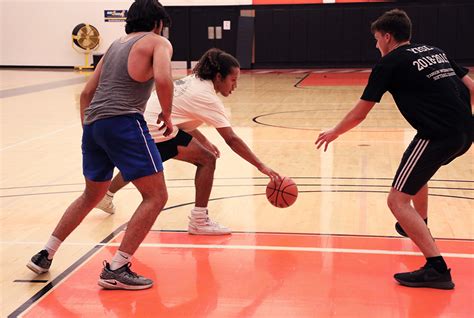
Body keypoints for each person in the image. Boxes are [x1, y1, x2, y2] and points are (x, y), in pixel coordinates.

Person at [315, 9, 473, 290]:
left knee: (396, 201)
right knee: (417, 171)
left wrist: (334, 132)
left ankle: (436, 269)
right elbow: (471, 87)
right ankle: (418, 222)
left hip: (437, 135)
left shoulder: (389, 63)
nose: (376, 45)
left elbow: (360, 113)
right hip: (465, 130)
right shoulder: (434, 50)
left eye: (377, 39)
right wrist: (461, 119)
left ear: (387, 37)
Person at [27, 0, 174, 290]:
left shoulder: (115, 45)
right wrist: (167, 114)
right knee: (156, 196)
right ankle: (117, 267)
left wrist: (91, 132)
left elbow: (86, 94)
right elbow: (163, 78)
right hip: (123, 121)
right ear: (158, 22)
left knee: (91, 196)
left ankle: (45, 253)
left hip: (94, 124)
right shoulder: (158, 42)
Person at [96, 48, 281, 235]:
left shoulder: (195, 80)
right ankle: (199, 220)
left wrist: (204, 140)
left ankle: (106, 195)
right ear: (218, 77)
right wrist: (261, 166)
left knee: (143, 165)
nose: (235, 86)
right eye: (233, 80)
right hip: (155, 128)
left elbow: (181, 119)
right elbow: (231, 139)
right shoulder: (206, 96)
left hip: (143, 125)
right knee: (207, 160)